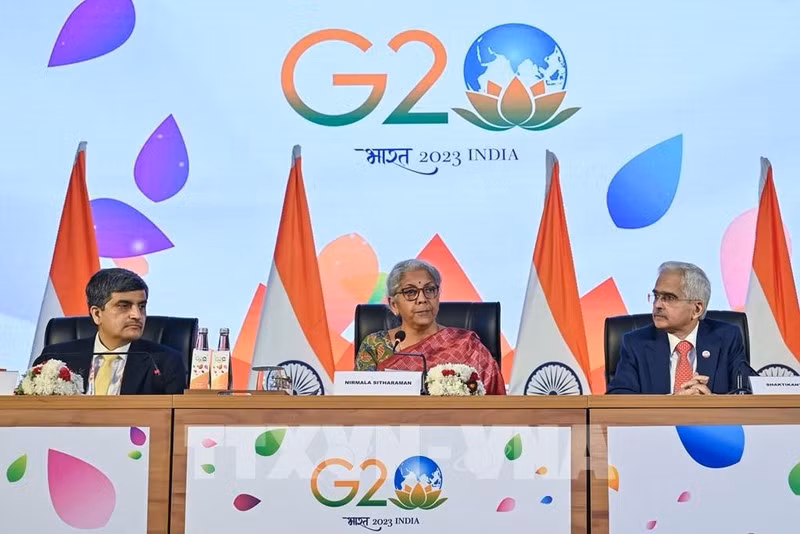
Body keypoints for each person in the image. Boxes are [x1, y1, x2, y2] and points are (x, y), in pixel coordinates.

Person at [356, 259, 505, 395]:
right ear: (394, 305)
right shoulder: (374, 346)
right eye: (410, 292)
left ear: (438, 296)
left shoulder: (468, 346)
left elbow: (495, 404)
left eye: (429, 290)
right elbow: (359, 402)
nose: (422, 299)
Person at [607, 261, 755, 395]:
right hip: (659, 424)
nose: (657, 305)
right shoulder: (636, 343)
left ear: (697, 309)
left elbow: (751, 390)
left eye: (669, 298)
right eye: (656, 296)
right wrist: (672, 403)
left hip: (713, 424)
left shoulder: (726, 337)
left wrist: (713, 402)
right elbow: (617, 397)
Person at [33, 268, 186, 394]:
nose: (137, 315)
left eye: (141, 306)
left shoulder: (165, 363)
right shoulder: (56, 358)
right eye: (124, 305)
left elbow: (171, 422)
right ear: (97, 314)